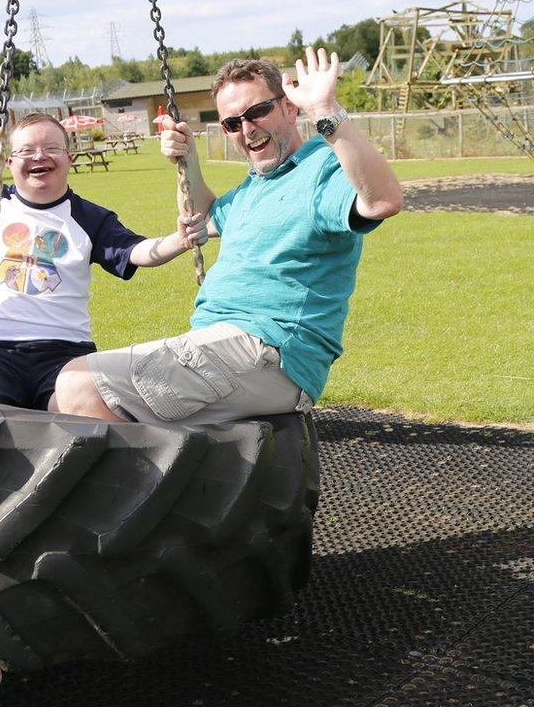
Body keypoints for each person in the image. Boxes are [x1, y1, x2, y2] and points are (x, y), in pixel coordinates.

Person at [53, 47, 403, 425]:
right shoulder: (254, 187)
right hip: (227, 345)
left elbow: (382, 200)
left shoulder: (320, 170)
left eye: (257, 112)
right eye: (233, 123)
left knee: (78, 385)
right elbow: (201, 217)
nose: (247, 129)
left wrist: (326, 110)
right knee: (59, 405)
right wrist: (187, 162)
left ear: (289, 108)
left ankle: (168, 481)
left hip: (270, 349)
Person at [0, 111, 207, 411]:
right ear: (9, 163)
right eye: (26, 150)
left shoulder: (89, 218)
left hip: (64, 353)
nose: (40, 156)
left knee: (80, 418)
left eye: (52, 148)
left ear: (69, 158)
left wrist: (178, 240)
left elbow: (135, 251)